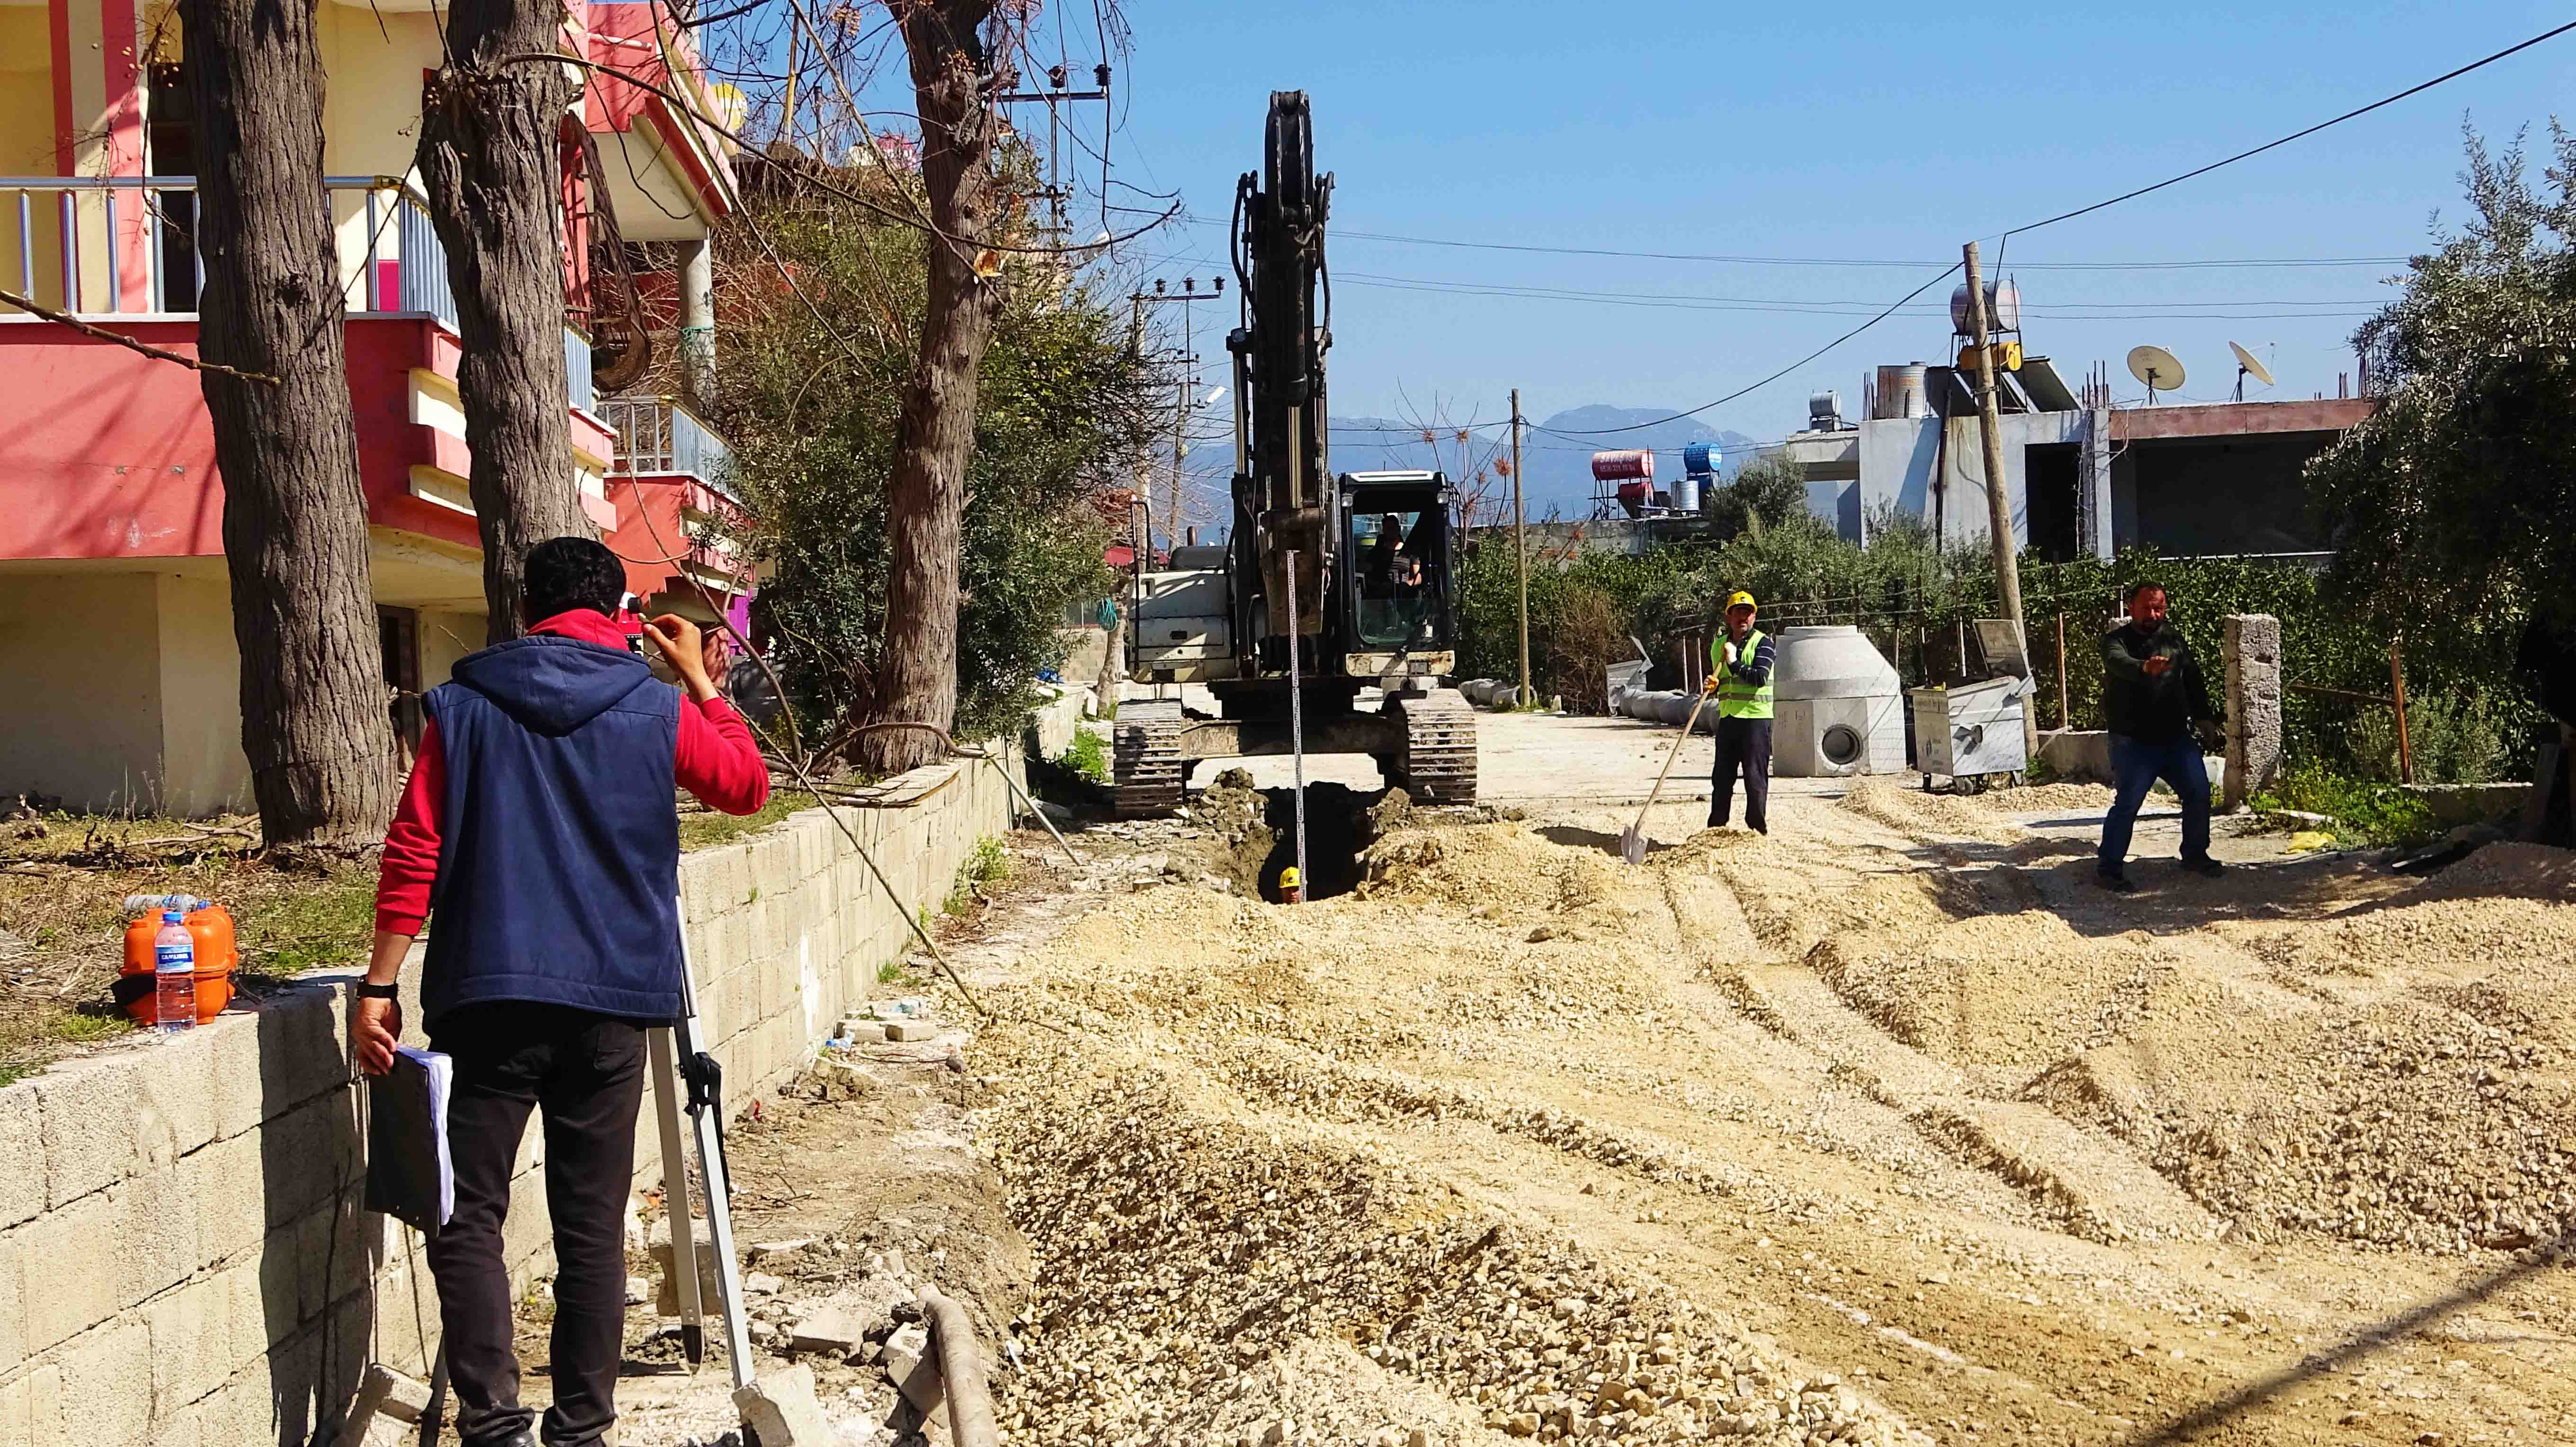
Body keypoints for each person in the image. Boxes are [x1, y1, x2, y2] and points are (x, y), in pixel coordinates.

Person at [351, 537, 771, 1447]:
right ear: (621, 611)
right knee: (590, 1222)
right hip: (614, 1002)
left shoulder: (459, 707)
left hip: (487, 997)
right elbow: (746, 787)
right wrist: (700, 679)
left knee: (466, 1213)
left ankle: (493, 1427)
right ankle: (581, 1428)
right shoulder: (655, 708)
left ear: (524, 606)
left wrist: (378, 985)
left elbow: (414, 850)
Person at [2098, 581, 2225, 892]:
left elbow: (2193, 680)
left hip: (2175, 739)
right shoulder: (2116, 641)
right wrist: (2143, 668)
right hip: (2133, 741)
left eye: (2159, 608)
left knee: (2198, 792)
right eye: (2147, 608)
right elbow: (2118, 663)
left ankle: (2195, 854)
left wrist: (2205, 718)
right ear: (2131, 608)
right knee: (2128, 803)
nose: (2153, 614)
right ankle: (2109, 867)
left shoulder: (2173, 641)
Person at [1702, 590, 1776, 833]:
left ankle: (1757, 830)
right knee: (1722, 778)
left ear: (1754, 617)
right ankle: (1716, 828)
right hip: (1729, 718)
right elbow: (1722, 679)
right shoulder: (1718, 645)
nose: (1742, 618)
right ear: (1729, 617)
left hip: (1756, 719)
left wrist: (1734, 663)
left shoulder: (1764, 643)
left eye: (1748, 613)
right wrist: (1712, 687)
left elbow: (1759, 677)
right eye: (1738, 613)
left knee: (1755, 778)